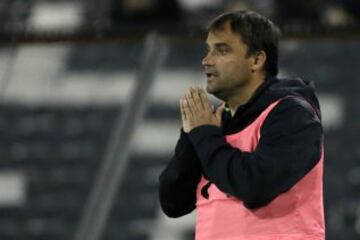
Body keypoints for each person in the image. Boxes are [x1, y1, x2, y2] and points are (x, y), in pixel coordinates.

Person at [159, 10, 325, 240]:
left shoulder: (292, 113)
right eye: (208, 49)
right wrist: (193, 135)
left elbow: (255, 185)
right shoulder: (217, 120)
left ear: (257, 60)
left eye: (222, 50)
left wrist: (204, 134)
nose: (207, 60)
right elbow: (173, 202)